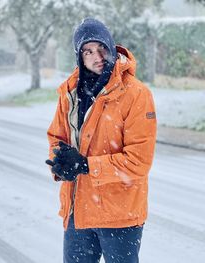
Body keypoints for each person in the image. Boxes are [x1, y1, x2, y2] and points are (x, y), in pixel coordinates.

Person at [45, 18, 157, 263]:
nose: (97, 56)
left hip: (119, 215)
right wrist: (61, 162)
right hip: (78, 213)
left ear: (111, 47)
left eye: (101, 48)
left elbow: (139, 161)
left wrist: (86, 165)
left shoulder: (136, 95)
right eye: (87, 51)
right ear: (79, 56)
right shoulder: (70, 92)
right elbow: (57, 137)